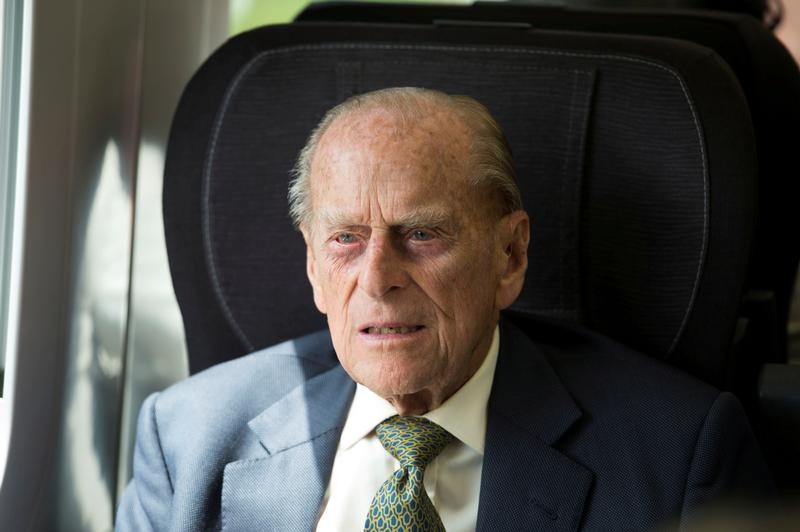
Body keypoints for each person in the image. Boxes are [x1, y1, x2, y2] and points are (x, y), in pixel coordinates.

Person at [116, 87, 771, 531]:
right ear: (313, 265)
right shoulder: (188, 437)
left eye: (421, 235)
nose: (377, 279)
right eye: (345, 239)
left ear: (510, 255)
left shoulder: (679, 456)